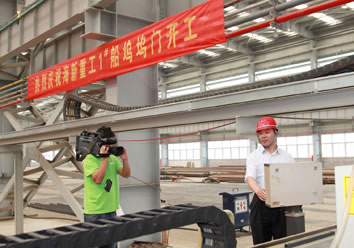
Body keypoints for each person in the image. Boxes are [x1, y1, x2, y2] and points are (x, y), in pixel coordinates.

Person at [245, 116, 295, 245]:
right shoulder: (254, 156)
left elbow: (292, 179)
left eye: (267, 132)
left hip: (282, 206)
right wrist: (258, 191)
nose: (263, 136)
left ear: (276, 133)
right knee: (261, 243)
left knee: (283, 242)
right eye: (260, 133)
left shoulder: (286, 157)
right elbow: (250, 178)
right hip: (261, 203)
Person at [83, 126, 131, 248]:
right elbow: (98, 180)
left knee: (111, 246)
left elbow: (126, 174)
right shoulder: (89, 159)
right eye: (106, 146)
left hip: (111, 211)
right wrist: (104, 158)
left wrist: (125, 160)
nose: (109, 149)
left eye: (110, 147)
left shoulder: (112, 159)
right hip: (95, 213)